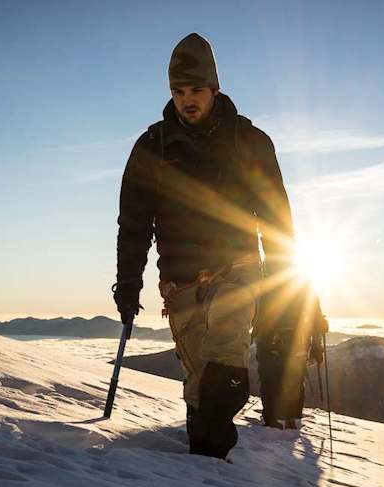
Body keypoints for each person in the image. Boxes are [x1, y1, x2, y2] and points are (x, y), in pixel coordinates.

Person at [113, 33, 324, 459]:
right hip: (180, 281)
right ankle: (205, 475)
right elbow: (134, 224)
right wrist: (127, 283)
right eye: (178, 91)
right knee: (200, 396)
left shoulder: (250, 143)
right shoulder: (151, 148)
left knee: (223, 373)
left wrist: (290, 285)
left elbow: (277, 219)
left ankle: (220, 478)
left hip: (238, 269)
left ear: (215, 88)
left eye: (196, 90)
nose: (187, 100)